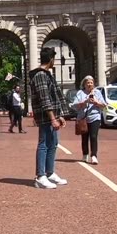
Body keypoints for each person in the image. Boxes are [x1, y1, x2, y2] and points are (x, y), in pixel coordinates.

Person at [29, 47, 71, 189]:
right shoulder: (40, 75)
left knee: (53, 143)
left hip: (51, 114)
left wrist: (60, 115)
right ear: (51, 59)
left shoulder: (47, 74)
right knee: (44, 144)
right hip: (45, 115)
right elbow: (45, 98)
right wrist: (53, 118)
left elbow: (55, 96)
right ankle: (40, 176)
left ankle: (50, 172)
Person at [73, 76, 106, 164]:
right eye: (88, 83)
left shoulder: (97, 93)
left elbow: (103, 105)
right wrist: (85, 102)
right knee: (84, 138)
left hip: (95, 117)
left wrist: (96, 102)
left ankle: (94, 156)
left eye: (91, 83)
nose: (89, 84)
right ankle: (85, 154)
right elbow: (75, 105)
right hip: (83, 118)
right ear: (84, 84)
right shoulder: (80, 93)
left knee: (93, 137)